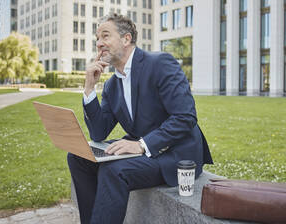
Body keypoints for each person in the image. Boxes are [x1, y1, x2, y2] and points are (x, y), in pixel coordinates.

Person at [67, 13, 213, 224]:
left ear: (126, 39)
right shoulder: (111, 85)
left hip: (175, 153)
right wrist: (89, 88)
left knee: (114, 170)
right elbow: (98, 132)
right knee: (78, 157)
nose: (99, 44)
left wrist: (141, 145)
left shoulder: (160, 63)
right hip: (143, 151)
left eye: (105, 36)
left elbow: (185, 117)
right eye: (97, 38)